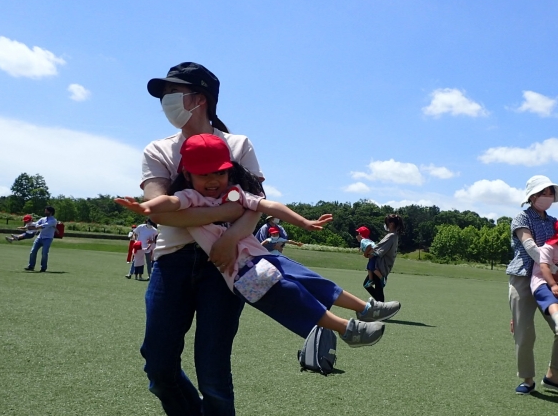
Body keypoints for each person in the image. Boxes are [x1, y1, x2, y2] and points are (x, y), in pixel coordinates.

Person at [116, 133, 400, 341]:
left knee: (307, 278)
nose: (213, 180)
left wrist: (304, 222)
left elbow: (268, 205)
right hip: (241, 271)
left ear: (230, 172)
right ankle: (347, 329)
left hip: (262, 256)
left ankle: (365, 308)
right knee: (291, 296)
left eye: (220, 173)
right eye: (204, 175)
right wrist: (147, 207)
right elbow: (170, 202)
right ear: (188, 175)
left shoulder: (235, 194)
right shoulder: (191, 197)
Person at [138, 62, 272, 416]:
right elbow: (159, 209)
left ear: (200, 98)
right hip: (172, 261)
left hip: (226, 264)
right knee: (157, 361)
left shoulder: (237, 145)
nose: (166, 102)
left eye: (173, 92)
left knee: (213, 369)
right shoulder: (158, 149)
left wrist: (230, 237)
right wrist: (228, 212)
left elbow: (258, 207)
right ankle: (188, 415)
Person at [506, 175, 558, 396]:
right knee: (524, 333)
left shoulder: (555, 223)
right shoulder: (521, 218)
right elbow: (530, 247)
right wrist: (552, 269)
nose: (547, 196)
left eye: (550, 193)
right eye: (543, 193)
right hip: (523, 277)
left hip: (550, 281)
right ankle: (527, 379)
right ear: (532, 196)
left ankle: (552, 376)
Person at [364, 214, 402, 302]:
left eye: (387, 223)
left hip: (381, 265)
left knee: (376, 287)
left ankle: (381, 305)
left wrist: (367, 253)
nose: (385, 225)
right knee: (373, 286)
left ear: (391, 224)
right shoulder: (395, 236)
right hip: (384, 265)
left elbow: (378, 249)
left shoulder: (391, 236)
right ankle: (380, 304)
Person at [24, 207, 57, 272]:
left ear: (50, 212)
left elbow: (45, 225)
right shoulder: (42, 219)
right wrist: (32, 224)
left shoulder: (53, 220)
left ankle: (43, 268)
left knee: (44, 253)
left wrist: (35, 227)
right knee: (33, 251)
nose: (45, 212)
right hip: (40, 237)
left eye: (46, 211)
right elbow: (36, 223)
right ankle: (31, 266)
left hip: (48, 238)